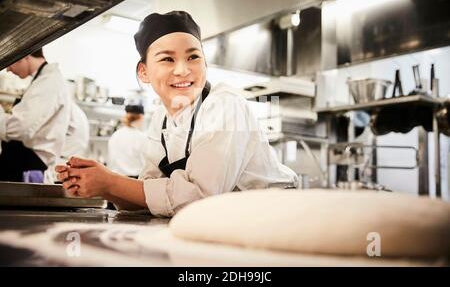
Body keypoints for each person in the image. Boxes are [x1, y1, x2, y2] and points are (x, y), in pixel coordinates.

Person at [56, 11, 298, 217]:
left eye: (193, 57)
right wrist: (100, 186)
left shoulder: (225, 105)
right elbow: (148, 195)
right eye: (167, 59)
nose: (183, 70)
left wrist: (111, 181)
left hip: (272, 218)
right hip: (225, 221)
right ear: (144, 72)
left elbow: (200, 197)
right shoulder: (160, 119)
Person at [0, 49, 71, 182]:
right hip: (24, 162)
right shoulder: (43, 80)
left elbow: (19, 128)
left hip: (27, 165)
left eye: (10, 63)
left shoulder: (49, 82)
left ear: (25, 56)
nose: (8, 69)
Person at [108, 104, 150, 178]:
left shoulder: (115, 135)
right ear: (141, 117)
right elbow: (146, 163)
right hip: (134, 180)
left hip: (116, 178)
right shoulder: (142, 137)